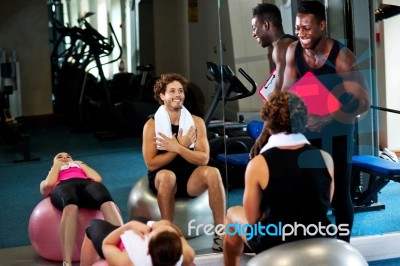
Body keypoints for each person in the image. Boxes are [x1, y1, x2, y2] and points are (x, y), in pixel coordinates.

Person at [281, 0, 370, 242]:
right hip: (308, 129)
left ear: (322, 25)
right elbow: (286, 94)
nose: (301, 34)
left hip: (339, 129)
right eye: (298, 28)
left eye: (307, 28)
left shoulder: (341, 57)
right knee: (308, 189)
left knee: (339, 193)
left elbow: (363, 101)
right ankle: (313, 244)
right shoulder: (293, 51)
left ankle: (344, 246)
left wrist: (327, 117)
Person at [223, 91, 335, 266]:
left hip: (276, 241)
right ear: (303, 121)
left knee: (231, 214)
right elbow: (324, 204)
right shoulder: (325, 158)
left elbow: (252, 219)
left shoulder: (259, 164)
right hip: (320, 235)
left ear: (268, 123)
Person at [142, 73, 226, 251]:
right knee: (167, 176)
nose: (177, 95)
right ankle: (168, 234)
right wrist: (180, 145)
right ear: (162, 96)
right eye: (171, 91)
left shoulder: (196, 122)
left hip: (190, 177)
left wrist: (179, 147)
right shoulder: (151, 125)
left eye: (180, 91)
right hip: (163, 175)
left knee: (213, 172)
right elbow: (151, 164)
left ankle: (221, 234)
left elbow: (203, 158)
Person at [39, 152, 123, 266]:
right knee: (71, 205)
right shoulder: (52, 173)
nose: (64, 158)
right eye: (59, 157)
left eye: (68, 156)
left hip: (87, 184)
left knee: (106, 200)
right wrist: (56, 166)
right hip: (64, 186)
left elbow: (97, 179)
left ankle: (124, 249)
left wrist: (80, 164)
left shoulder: (80, 167)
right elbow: (48, 186)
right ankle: (67, 262)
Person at [250, 3, 297, 158]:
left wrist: (264, 134)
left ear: (266, 25)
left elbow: (280, 97)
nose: (253, 34)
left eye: (254, 28)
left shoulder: (282, 47)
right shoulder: (286, 44)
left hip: (296, 124)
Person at [80, 217, 195, 266]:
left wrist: (129, 226)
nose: (151, 228)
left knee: (93, 225)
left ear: (147, 251)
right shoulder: (187, 255)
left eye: (150, 232)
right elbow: (180, 236)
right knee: (137, 218)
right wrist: (167, 223)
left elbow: (107, 244)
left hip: (120, 242)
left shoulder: (126, 261)